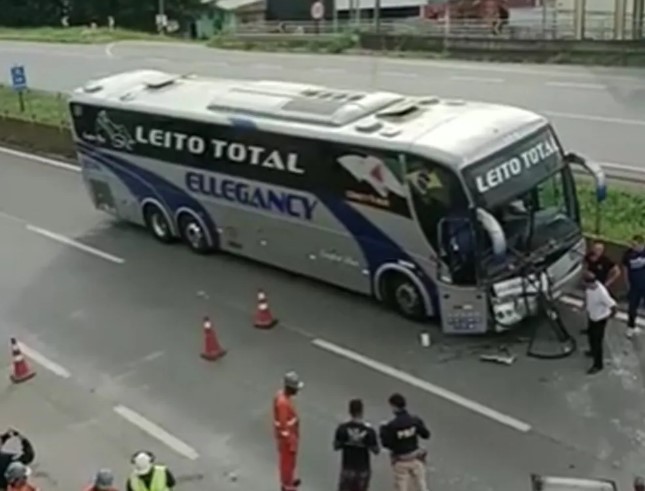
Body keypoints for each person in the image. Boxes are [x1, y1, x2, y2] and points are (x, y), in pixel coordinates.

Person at [379, 394, 430, 491]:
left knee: (401, 487)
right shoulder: (414, 420)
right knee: (421, 486)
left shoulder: (392, 426)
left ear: (393, 406)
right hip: (416, 459)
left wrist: (383, 430)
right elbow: (426, 435)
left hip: (401, 461)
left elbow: (386, 444)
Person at [333, 399, 379, 491]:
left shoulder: (343, 428)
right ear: (362, 412)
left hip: (347, 467)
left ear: (350, 411)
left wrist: (347, 442)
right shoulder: (369, 431)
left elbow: (336, 446)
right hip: (363, 469)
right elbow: (376, 450)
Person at [274, 371, 303, 491]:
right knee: (287, 463)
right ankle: (287, 485)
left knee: (290, 464)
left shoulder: (282, 397)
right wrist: (290, 442)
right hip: (288, 440)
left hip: (290, 437)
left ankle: (289, 480)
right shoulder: (283, 403)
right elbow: (283, 426)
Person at [584, 272, 617, 375]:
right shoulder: (589, 288)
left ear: (589, 283)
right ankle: (592, 351)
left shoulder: (601, 293)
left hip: (600, 319)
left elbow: (613, 305)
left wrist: (610, 315)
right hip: (592, 316)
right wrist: (584, 305)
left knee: (597, 341)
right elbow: (587, 296)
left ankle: (598, 365)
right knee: (590, 335)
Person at [623, 235, 645, 338]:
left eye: (635, 245)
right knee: (632, 307)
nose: (633, 247)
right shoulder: (628, 254)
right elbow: (625, 269)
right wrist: (627, 283)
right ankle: (630, 327)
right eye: (632, 244)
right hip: (634, 286)